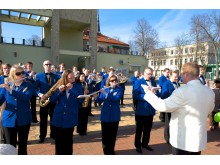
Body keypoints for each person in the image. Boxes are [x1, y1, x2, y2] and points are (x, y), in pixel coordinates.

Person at [143, 62, 215, 155]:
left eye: (181, 74)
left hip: (182, 140)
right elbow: (209, 109)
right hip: (198, 140)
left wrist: (148, 93)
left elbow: (162, 106)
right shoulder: (209, 91)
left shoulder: (182, 91)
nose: (181, 77)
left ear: (186, 74)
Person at [0, 65, 34, 155]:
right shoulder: (8, 86)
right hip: (9, 119)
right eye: (18, 73)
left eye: (23, 72)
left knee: (23, 146)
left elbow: (26, 98)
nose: (22, 75)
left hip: (23, 119)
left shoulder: (29, 86)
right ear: (13, 75)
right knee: (10, 147)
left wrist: (11, 90)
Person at [50, 70, 84, 155]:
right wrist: (59, 91)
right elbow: (51, 100)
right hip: (59, 118)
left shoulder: (78, 86)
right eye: (70, 78)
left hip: (70, 118)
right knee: (58, 142)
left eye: (73, 77)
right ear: (65, 78)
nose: (73, 79)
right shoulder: (58, 86)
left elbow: (81, 100)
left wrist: (71, 89)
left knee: (68, 142)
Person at [93, 75, 123, 155]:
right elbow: (100, 101)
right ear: (108, 82)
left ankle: (111, 150)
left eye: (115, 81)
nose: (114, 82)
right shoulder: (105, 89)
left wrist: (106, 93)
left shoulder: (119, 89)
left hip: (114, 116)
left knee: (112, 135)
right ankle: (105, 151)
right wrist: (96, 97)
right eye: (112, 81)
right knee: (105, 135)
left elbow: (116, 99)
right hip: (105, 115)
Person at [133, 67, 159, 153]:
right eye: (148, 74)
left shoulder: (153, 82)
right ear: (144, 73)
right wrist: (147, 96)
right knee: (139, 130)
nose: (150, 76)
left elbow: (157, 94)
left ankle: (145, 143)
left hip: (150, 110)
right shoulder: (138, 82)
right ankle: (138, 145)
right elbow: (135, 95)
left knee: (148, 129)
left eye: (151, 74)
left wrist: (155, 93)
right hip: (141, 109)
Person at [35, 60, 60, 143]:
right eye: (46, 64)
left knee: (54, 119)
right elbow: (34, 89)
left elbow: (58, 89)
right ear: (43, 66)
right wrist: (41, 95)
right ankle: (42, 136)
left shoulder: (56, 76)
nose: (48, 66)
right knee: (43, 120)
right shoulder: (38, 76)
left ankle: (53, 135)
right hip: (43, 100)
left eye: (50, 64)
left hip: (53, 101)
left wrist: (56, 98)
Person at [161, 70, 180, 144]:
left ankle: (174, 136)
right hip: (169, 106)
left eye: (177, 76)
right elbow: (164, 95)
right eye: (175, 77)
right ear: (171, 76)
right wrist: (174, 96)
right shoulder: (166, 84)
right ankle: (167, 138)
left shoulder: (177, 84)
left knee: (175, 122)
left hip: (176, 107)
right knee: (168, 123)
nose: (176, 78)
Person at [0, 63, 11, 144]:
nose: (7, 70)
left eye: (8, 68)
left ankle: (9, 138)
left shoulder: (12, 78)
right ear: (2, 69)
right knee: (1, 119)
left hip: (10, 101)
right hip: (1, 101)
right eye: (5, 68)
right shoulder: (0, 78)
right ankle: (2, 138)